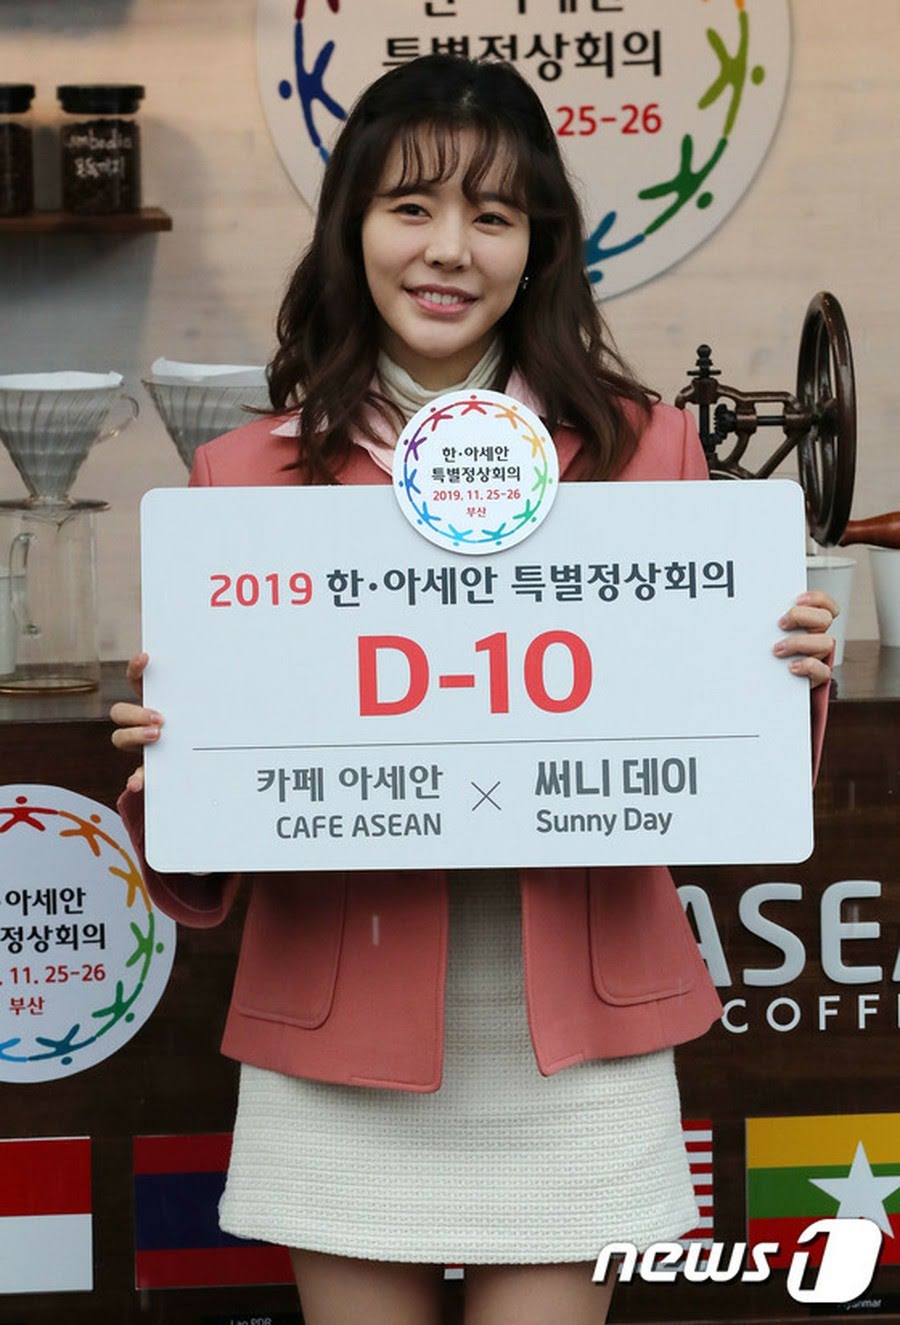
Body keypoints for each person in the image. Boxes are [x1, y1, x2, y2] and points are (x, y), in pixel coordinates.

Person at [111, 55, 837, 1325]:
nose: (449, 249)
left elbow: (717, 778)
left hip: (579, 1040)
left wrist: (783, 677)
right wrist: (180, 763)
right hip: (340, 1037)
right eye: (412, 207)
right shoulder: (243, 480)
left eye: (493, 216)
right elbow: (211, 850)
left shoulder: (647, 449)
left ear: (537, 245)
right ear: (352, 228)